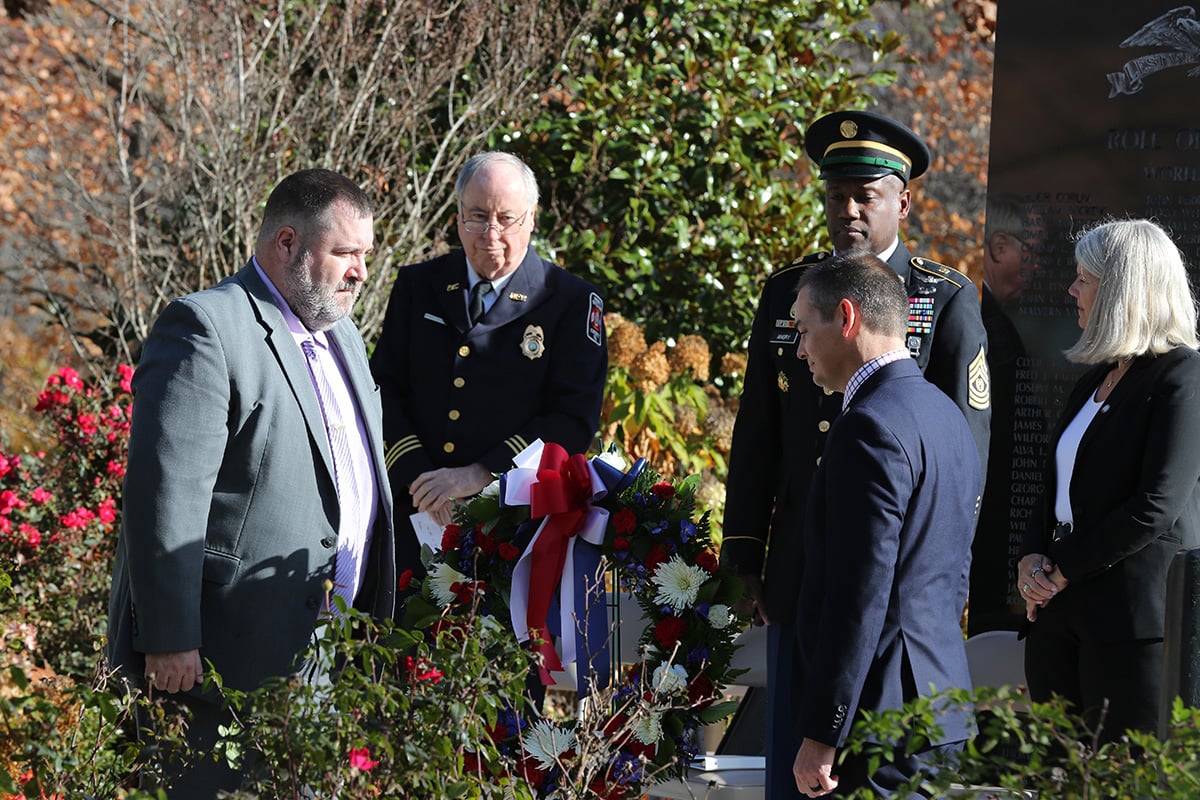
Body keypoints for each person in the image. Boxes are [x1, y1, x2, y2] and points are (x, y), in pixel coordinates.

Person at [720, 109, 990, 799]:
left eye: (864, 194)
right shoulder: (789, 291)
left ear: (902, 199)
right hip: (801, 574)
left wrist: (948, 590)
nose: (847, 209)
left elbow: (966, 459)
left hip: (890, 589)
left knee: (822, 764)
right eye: (836, 193)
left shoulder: (945, 298)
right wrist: (745, 557)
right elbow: (758, 433)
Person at [105, 168, 397, 797]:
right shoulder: (207, 327)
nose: (361, 273)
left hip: (330, 651)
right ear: (287, 244)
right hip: (224, 658)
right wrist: (169, 636)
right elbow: (167, 493)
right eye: (346, 253)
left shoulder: (344, 336)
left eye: (366, 255)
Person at [789, 254, 980, 797]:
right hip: (938, 706)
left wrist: (825, 730)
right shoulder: (946, 415)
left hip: (877, 725)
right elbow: (952, 576)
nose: (799, 349)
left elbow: (859, 593)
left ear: (845, 318)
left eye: (805, 329)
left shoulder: (868, 427)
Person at [371, 151, 607, 578]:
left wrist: (481, 473)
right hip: (413, 518)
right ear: (458, 215)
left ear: (531, 218)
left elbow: (572, 418)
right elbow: (383, 389)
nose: (490, 234)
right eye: (477, 215)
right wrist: (421, 477)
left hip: (513, 529)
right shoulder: (417, 287)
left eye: (506, 218)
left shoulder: (570, 302)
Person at [1018, 219, 1200, 740]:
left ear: (1123, 288)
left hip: (1131, 624)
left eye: (1083, 278)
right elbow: (1056, 484)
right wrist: (1031, 556)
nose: (1071, 289)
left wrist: (1061, 569)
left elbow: (1156, 504)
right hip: (1059, 615)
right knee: (1057, 774)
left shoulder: (1183, 375)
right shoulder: (1095, 378)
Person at [970, 192, 1043, 634]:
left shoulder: (1007, 321)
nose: (1038, 263)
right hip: (989, 516)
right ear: (999, 247)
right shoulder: (980, 323)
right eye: (1031, 249)